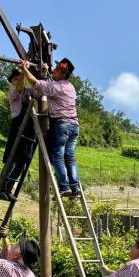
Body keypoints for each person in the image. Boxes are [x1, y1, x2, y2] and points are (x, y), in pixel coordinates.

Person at [20, 57, 80, 197]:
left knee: (58, 156)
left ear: (63, 74)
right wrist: (47, 72)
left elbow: (37, 84)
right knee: (70, 158)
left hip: (62, 125)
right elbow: (52, 85)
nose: (54, 71)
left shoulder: (56, 87)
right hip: (74, 125)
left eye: (56, 70)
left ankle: (64, 187)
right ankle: (75, 186)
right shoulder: (70, 87)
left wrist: (24, 69)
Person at [0, 68, 34, 202]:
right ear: (12, 82)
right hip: (18, 127)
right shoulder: (13, 91)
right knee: (11, 160)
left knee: (22, 163)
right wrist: (24, 72)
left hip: (29, 130)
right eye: (15, 79)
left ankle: (8, 189)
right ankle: (1, 190)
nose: (18, 80)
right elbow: (19, 86)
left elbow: (38, 88)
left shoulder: (28, 92)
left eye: (19, 78)